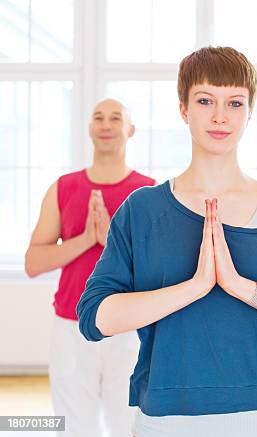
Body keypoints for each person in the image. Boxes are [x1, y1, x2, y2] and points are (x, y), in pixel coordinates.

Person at [76, 47, 257, 437]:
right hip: (164, 419)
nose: (221, 116)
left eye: (234, 103)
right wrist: (194, 287)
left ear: (249, 112)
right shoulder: (142, 210)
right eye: (206, 101)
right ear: (184, 110)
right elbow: (94, 316)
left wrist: (240, 287)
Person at [25, 98, 155, 437]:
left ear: (130, 129)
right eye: (98, 117)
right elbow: (33, 262)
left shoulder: (147, 192)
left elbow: (158, 271)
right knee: (72, 425)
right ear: (89, 128)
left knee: (127, 423)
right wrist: (85, 239)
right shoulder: (64, 188)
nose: (106, 124)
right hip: (71, 326)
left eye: (116, 118)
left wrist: (111, 236)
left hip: (128, 327)